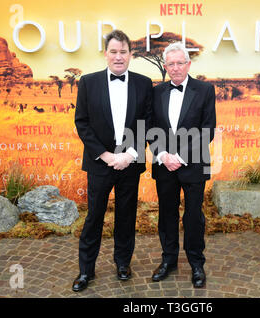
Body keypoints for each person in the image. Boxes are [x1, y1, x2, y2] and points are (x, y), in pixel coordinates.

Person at [73, 30, 152, 292]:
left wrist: (129, 155)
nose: (119, 57)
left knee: (126, 216)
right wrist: (106, 156)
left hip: (130, 164)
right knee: (94, 216)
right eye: (114, 52)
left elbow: (147, 123)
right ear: (106, 54)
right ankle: (86, 271)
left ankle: (122, 263)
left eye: (123, 52)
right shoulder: (88, 82)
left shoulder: (143, 83)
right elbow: (82, 123)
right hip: (100, 163)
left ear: (131, 54)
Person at [149, 42, 216, 288]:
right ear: (165, 67)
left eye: (180, 63)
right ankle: (168, 261)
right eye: (171, 64)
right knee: (166, 214)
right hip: (164, 164)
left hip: (194, 164)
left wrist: (180, 156)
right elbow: (148, 128)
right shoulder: (156, 92)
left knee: (193, 216)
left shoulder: (205, 90)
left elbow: (207, 129)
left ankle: (197, 264)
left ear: (188, 64)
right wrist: (164, 155)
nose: (176, 68)